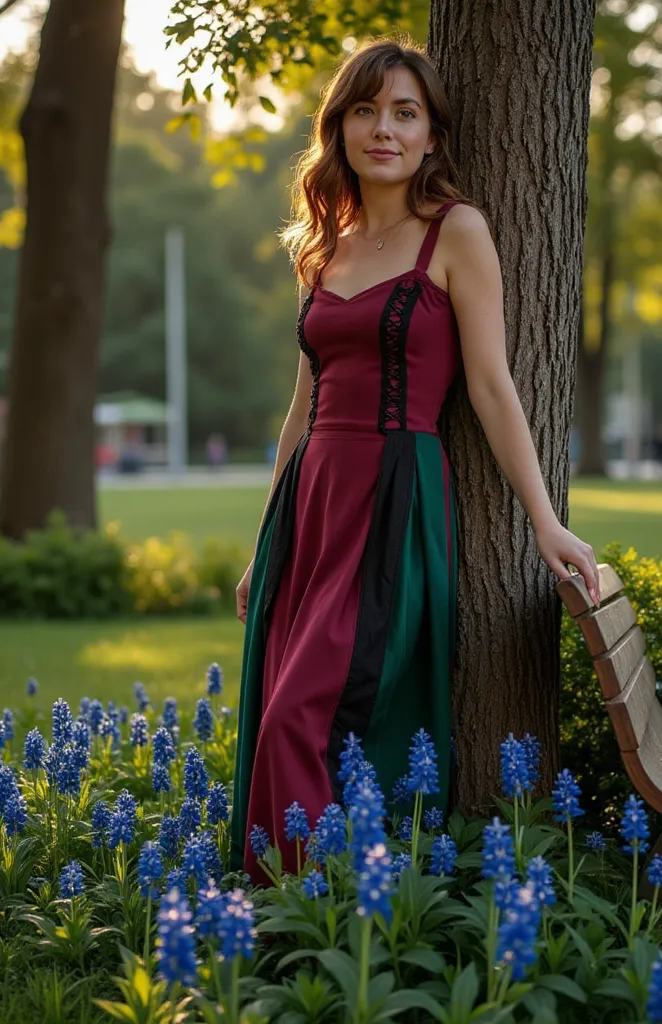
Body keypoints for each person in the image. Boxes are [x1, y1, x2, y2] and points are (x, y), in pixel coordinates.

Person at [230, 38, 600, 885]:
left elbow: (494, 388)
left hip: (394, 503)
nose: (384, 129)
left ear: (433, 135)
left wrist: (545, 521)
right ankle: (302, 907)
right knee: (282, 713)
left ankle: (301, 912)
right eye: (365, 110)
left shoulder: (457, 232)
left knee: (305, 716)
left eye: (405, 113)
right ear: (340, 129)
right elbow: (301, 408)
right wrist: (263, 542)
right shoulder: (321, 247)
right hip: (311, 506)